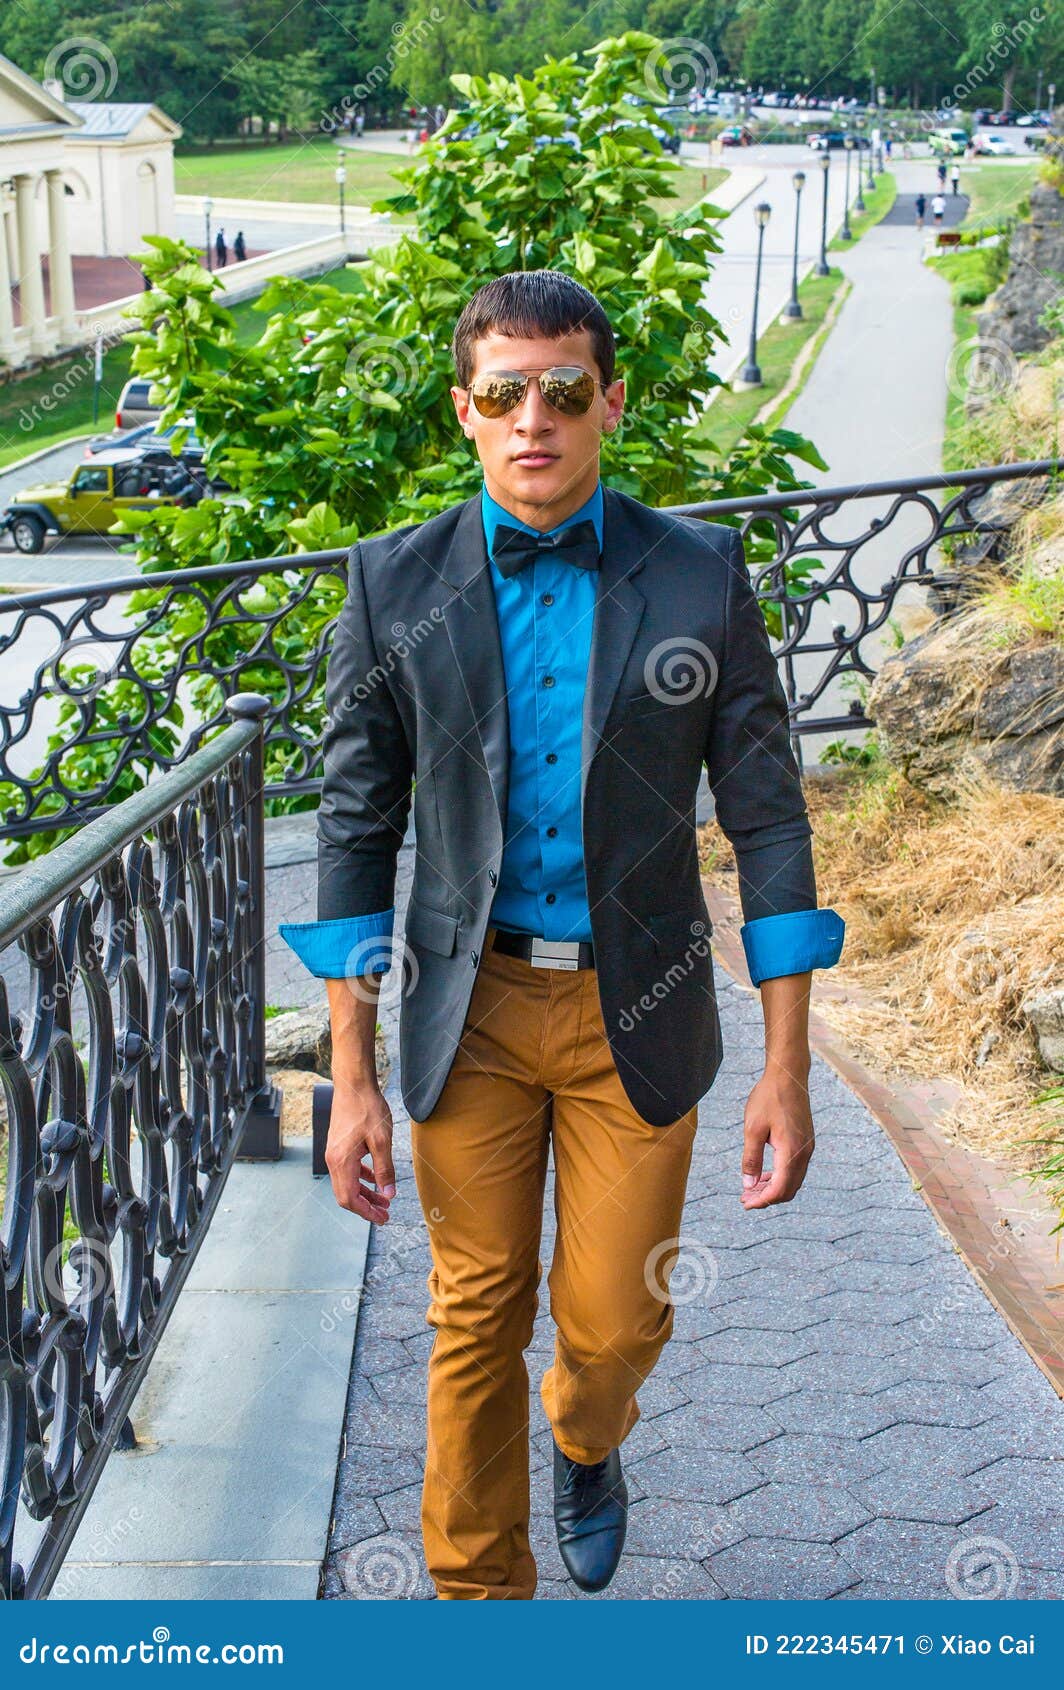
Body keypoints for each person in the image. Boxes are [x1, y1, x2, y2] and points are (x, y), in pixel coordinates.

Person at [280, 269, 845, 1600]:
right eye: (504, 392)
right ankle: (483, 1603)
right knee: (474, 1309)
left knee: (608, 1322)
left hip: (634, 1014)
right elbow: (352, 833)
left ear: (610, 403)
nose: (535, 417)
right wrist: (346, 1082)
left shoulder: (699, 575)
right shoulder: (391, 582)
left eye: (565, 391)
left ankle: (588, 1438)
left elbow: (767, 821)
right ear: (465, 411)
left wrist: (788, 1064)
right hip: (465, 1012)